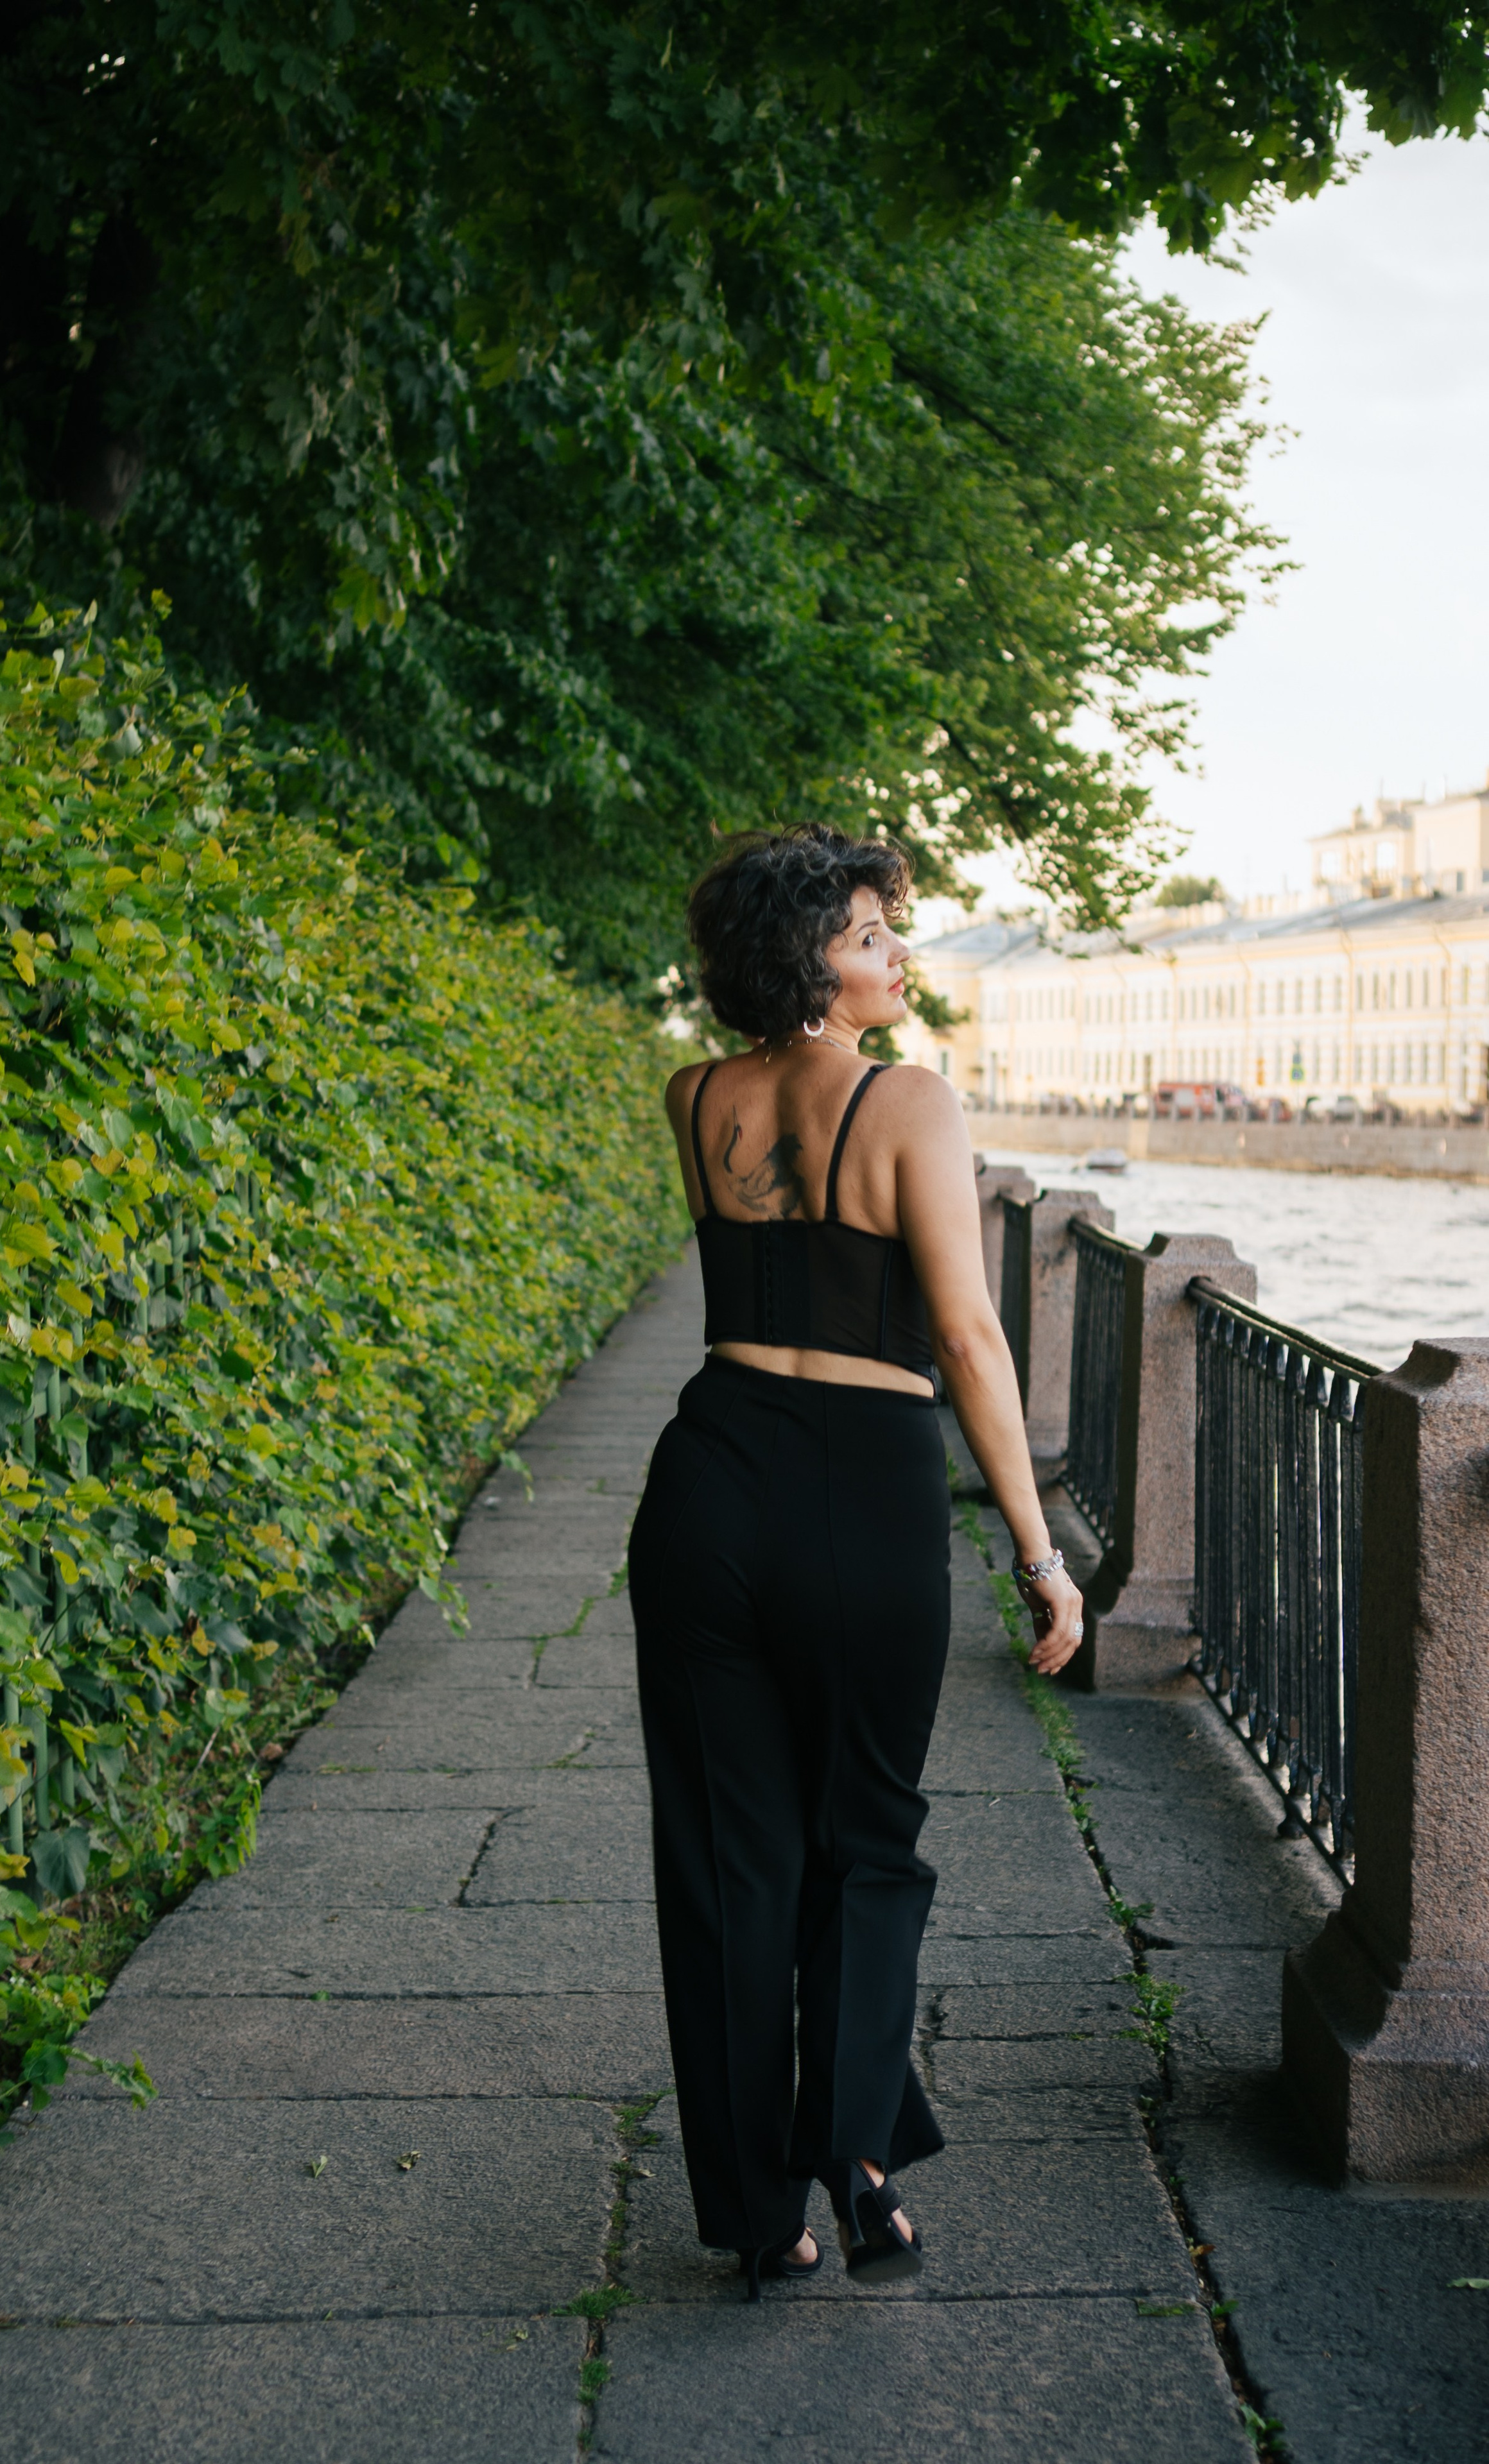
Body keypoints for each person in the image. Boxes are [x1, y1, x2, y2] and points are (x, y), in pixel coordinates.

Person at [628, 824, 1085, 2303]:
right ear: (811, 952)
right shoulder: (910, 1106)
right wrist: (1037, 1548)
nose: (899, 954)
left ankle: (764, 2214)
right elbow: (961, 1339)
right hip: (864, 1496)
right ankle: (860, 2156)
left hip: (706, 1481)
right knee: (866, 1841)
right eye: (876, 933)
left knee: (725, 1863)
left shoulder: (693, 1095)